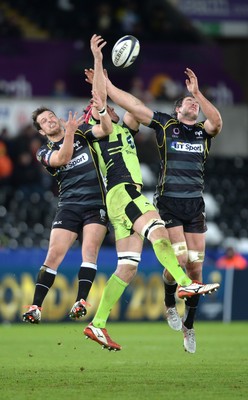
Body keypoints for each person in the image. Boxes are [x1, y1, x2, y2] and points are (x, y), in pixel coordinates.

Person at [83, 34, 220, 352]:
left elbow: (132, 106)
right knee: (158, 230)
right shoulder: (103, 128)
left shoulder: (125, 128)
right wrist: (100, 64)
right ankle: (185, 285)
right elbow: (109, 104)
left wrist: (105, 79)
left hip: (128, 202)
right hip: (124, 193)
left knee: (128, 267)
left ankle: (98, 324)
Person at [22, 87, 113, 324]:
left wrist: (100, 109)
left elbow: (106, 129)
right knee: (53, 255)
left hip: (96, 203)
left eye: (51, 116)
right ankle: (35, 306)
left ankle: (81, 301)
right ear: (42, 131)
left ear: (57, 118)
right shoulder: (44, 151)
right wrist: (71, 132)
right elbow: (62, 158)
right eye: (44, 121)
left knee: (90, 251)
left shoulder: (82, 131)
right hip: (70, 204)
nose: (49, 120)